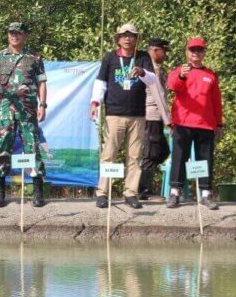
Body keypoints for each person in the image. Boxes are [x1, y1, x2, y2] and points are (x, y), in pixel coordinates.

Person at [89, 23, 156, 209]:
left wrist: (142, 72)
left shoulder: (143, 57)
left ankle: (130, 193)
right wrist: (95, 103)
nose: (128, 38)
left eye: (131, 35)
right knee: (109, 154)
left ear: (136, 39)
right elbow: (101, 83)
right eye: (124, 35)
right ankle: (103, 193)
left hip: (138, 115)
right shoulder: (110, 57)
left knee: (135, 156)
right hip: (114, 113)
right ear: (118, 39)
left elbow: (153, 80)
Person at [0, 22, 49, 208]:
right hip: (6, 109)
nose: (14, 36)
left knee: (32, 147)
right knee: (2, 147)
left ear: (25, 36)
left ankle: (37, 192)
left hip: (28, 110)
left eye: (18, 33)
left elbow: (42, 83)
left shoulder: (34, 57)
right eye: (11, 33)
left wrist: (43, 105)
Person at [166, 38, 223, 209]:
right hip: (183, 122)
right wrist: (182, 75)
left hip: (205, 123)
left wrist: (219, 123)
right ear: (187, 52)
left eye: (199, 50)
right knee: (179, 158)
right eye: (192, 50)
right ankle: (175, 193)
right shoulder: (178, 71)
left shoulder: (210, 74)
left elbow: (216, 101)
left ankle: (205, 194)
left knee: (204, 159)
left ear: (204, 53)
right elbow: (172, 85)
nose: (196, 53)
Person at [138, 38, 171, 200]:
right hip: (151, 115)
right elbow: (158, 97)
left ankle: (140, 184)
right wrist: (168, 120)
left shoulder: (157, 69)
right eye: (164, 51)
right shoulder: (149, 70)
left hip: (157, 116)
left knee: (163, 151)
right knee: (150, 153)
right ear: (156, 50)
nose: (165, 55)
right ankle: (144, 191)